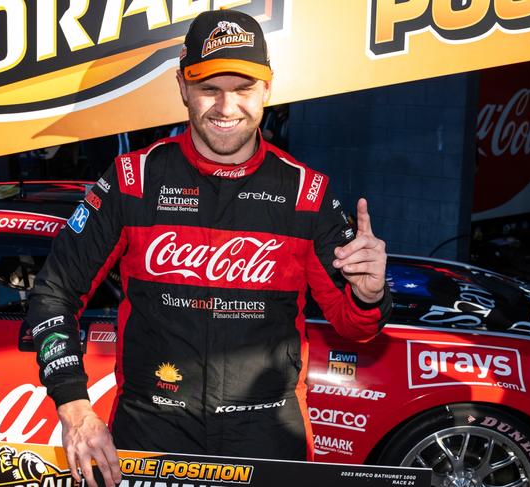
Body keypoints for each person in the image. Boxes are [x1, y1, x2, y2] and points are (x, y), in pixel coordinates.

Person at [26, 9, 392, 487]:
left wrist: (368, 295)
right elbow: (52, 295)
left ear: (267, 89)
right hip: (151, 435)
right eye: (208, 88)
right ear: (182, 87)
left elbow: (356, 327)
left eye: (242, 89)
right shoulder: (132, 182)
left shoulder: (307, 193)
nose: (226, 107)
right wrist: (75, 409)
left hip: (267, 440)